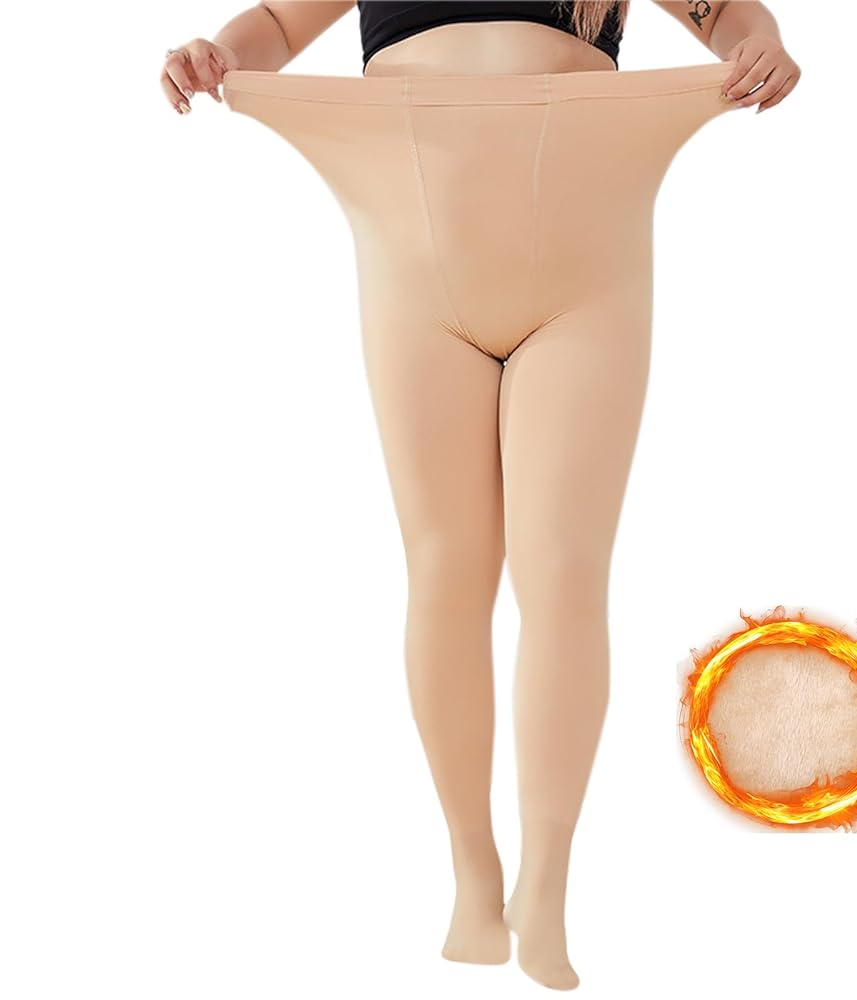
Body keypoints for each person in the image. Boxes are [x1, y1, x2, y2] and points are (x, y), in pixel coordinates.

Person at [160, 2, 800, 991]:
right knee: (445, 569)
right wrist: (219, 54)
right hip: (416, 258)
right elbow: (278, 27)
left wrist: (761, 46)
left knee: (564, 572)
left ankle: (547, 882)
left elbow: (727, 16)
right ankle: (472, 865)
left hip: (583, 271)